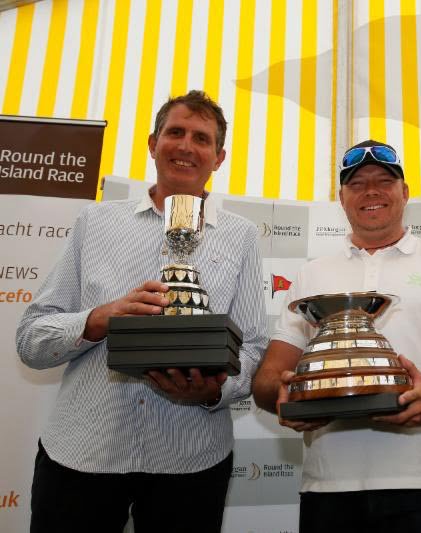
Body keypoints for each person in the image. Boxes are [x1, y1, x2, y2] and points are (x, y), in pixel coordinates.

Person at [16, 90, 268, 533]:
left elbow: (252, 346)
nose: (187, 146)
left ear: (219, 157)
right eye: (175, 132)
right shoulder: (94, 222)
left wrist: (212, 391)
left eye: (202, 138)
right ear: (153, 143)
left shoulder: (241, 236)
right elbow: (32, 338)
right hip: (81, 453)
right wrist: (100, 319)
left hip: (191, 459)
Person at [252, 139, 421, 533]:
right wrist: (284, 398)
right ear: (341, 198)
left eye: (385, 180)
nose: (371, 191)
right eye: (356, 183)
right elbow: (267, 378)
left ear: (405, 192)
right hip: (328, 488)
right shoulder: (312, 275)